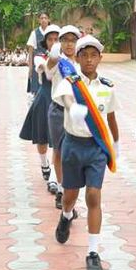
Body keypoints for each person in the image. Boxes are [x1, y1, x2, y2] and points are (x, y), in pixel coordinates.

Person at [53, 35, 120, 270]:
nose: (89, 60)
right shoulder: (70, 81)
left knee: (93, 195)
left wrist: (117, 143)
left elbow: (111, 117)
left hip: (96, 149)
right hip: (73, 145)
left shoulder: (107, 86)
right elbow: (67, 99)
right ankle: (66, 215)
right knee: (70, 196)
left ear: (100, 58)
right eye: (84, 55)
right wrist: (74, 108)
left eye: (94, 55)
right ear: (78, 58)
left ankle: (93, 253)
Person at [46, 25, 82, 208]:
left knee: (74, 154)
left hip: (77, 114)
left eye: (73, 40)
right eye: (65, 40)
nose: (69, 44)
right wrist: (52, 58)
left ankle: (71, 189)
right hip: (59, 112)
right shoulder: (58, 62)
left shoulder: (83, 62)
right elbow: (47, 71)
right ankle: (61, 189)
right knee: (59, 151)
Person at [19, 25, 60, 187]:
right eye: (50, 39)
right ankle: (44, 163)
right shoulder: (40, 57)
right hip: (45, 97)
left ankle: (54, 176)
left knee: (60, 141)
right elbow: (46, 71)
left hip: (62, 99)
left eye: (57, 39)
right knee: (42, 136)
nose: (54, 42)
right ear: (46, 42)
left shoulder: (69, 58)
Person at [26, 12, 50, 95]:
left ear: (49, 20)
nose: (43, 20)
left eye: (45, 18)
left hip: (50, 62)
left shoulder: (52, 32)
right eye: (42, 18)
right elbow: (31, 50)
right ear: (39, 20)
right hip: (37, 63)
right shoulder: (34, 33)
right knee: (37, 89)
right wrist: (30, 67)